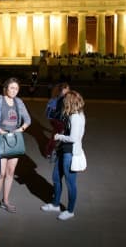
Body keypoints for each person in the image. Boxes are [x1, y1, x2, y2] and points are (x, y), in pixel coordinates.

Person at [41, 90, 86, 221]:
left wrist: (59, 136)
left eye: (65, 101)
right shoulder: (71, 114)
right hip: (63, 151)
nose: (63, 102)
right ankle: (55, 204)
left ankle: (70, 210)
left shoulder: (76, 117)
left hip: (70, 153)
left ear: (70, 102)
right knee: (56, 177)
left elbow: (73, 138)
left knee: (70, 183)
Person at [0, 77, 31, 214]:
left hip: (15, 140)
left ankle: (6, 201)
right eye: (11, 88)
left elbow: (28, 120)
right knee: (1, 174)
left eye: (16, 88)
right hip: (1, 139)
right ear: (6, 88)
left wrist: (19, 130)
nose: (14, 91)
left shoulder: (19, 102)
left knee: (10, 172)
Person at [44, 82, 70, 159]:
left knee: (55, 135)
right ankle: (50, 152)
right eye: (67, 88)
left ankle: (49, 151)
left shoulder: (55, 97)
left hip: (53, 120)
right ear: (63, 89)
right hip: (58, 120)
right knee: (57, 136)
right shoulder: (62, 98)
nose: (69, 90)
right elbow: (63, 111)